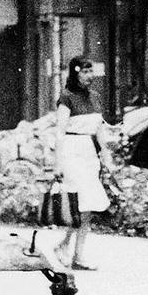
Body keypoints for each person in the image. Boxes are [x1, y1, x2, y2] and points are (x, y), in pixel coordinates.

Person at [51, 55, 111, 270]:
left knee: (88, 207)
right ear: (74, 73)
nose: (88, 76)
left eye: (90, 71)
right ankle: (69, 249)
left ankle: (73, 251)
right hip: (71, 151)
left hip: (88, 153)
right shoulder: (66, 98)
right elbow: (59, 131)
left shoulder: (95, 97)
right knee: (80, 203)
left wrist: (105, 153)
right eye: (84, 72)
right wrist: (57, 163)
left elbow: (99, 127)